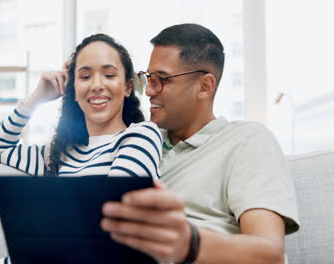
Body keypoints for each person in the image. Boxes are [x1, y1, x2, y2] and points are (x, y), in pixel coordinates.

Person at [101, 23, 300, 264]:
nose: (150, 91)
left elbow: (270, 255)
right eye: (148, 78)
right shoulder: (138, 142)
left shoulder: (247, 141)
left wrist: (189, 243)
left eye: (162, 79)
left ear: (205, 86)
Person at [0, 34, 162, 263]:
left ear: (127, 87)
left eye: (109, 75)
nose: (97, 85)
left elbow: (113, 227)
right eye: (85, 76)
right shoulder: (58, 152)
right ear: (74, 90)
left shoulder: (141, 136)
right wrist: (35, 99)